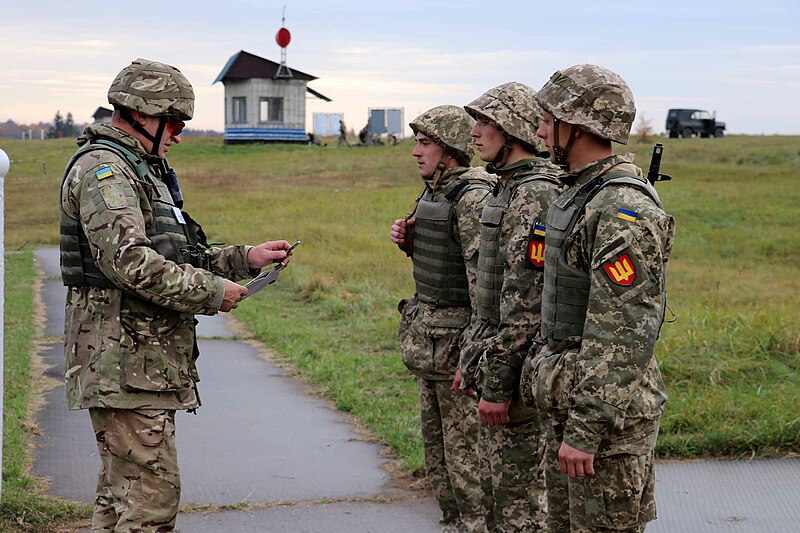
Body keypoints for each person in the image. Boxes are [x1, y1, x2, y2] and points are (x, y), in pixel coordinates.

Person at [59, 58, 294, 532]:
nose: (179, 135)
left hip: (138, 363)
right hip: (122, 363)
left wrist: (243, 259)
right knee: (149, 508)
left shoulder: (139, 168)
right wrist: (213, 294)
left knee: (120, 501)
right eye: (175, 123)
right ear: (144, 113)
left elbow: (175, 251)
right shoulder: (106, 172)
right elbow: (132, 264)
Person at [522, 64, 676, 532]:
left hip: (605, 427)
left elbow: (623, 333)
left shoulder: (619, 209)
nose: (540, 131)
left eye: (548, 120)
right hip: (571, 406)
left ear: (578, 125)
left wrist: (586, 430)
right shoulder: (579, 195)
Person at [456, 82, 565, 531]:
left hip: (519, 377)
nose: (475, 133)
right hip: (500, 362)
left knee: (521, 505)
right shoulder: (505, 188)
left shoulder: (533, 193)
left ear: (512, 130)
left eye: (485, 123)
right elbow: (490, 295)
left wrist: (498, 384)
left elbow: (526, 303)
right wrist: (472, 360)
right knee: (499, 495)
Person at [391, 105, 494, 533]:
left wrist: (472, 359)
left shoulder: (471, 198)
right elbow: (444, 266)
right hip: (431, 350)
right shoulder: (434, 192)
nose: (415, 152)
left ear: (449, 149)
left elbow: (482, 288)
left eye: (425, 142)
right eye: (416, 142)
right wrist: (410, 243)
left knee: (468, 464)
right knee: (440, 463)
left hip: (457, 357)